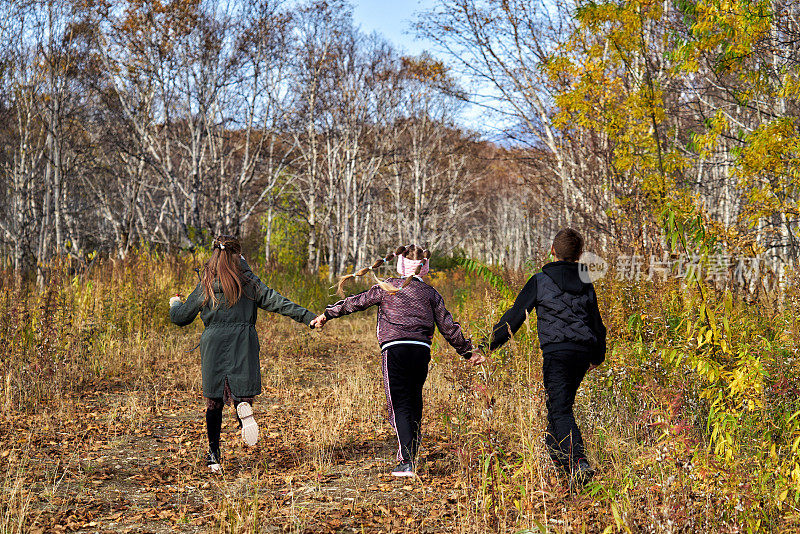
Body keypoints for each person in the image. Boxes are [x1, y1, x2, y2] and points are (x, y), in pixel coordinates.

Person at [311, 245, 484, 477]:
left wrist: (327, 314)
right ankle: (410, 454)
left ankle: (406, 462)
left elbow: (355, 302)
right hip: (421, 352)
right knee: (413, 402)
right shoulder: (431, 294)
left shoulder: (387, 287)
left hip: (394, 350)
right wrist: (467, 352)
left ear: (400, 264)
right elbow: (448, 327)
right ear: (425, 268)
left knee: (399, 404)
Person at [169, 235, 317, 472]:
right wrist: (308, 317)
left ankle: (214, 456)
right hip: (243, 339)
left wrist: (174, 304)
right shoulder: (248, 281)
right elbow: (276, 301)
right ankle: (242, 410)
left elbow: (181, 318)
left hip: (213, 342)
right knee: (240, 389)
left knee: (214, 401)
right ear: (239, 255)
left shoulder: (206, 282)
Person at [478, 228, 606, 486]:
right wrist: (597, 357)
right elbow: (597, 324)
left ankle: (578, 462)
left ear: (552, 250)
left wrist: (486, 347)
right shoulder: (586, 282)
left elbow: (514, 317)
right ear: (580, 254)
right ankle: (562, 471)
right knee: (557, 407)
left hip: (557, 353)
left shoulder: (540, 280)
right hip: (582, 354)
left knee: (560, 409)